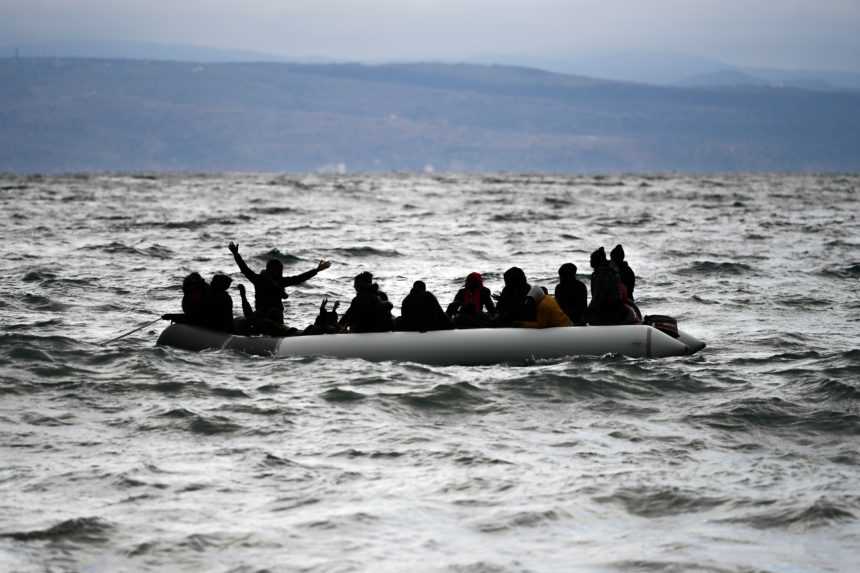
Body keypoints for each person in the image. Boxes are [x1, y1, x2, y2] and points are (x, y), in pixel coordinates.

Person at [228, 241, 330, 335]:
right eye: (278, 270)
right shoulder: (263, 280)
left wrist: (317, 270)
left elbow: (299, 278)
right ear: (272, 270)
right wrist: (317, 270)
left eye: (280, 269)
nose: (280, 272)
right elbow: (244, 269)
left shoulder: (263, 280)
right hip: (266, 318)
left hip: (270, 318)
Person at [585, 247, 638, 325]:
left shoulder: (601, 275)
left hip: (608, 312)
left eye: (591, 259)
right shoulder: (612, 272)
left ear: (597, 261)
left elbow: (598, 298)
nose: (590, 262)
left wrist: (587, 314)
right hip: (616, 309)